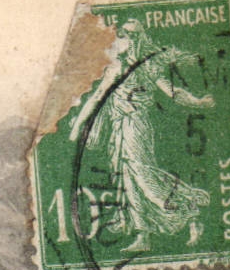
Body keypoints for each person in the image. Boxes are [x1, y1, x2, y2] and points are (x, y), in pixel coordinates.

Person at [68, 17, 216, 252]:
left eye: (124, 35)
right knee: (125, 177)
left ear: (134, 39)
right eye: (120, 34)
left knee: (142, 175)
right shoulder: (114, 67)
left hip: (137, 126)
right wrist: (77, 127)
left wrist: (198, 102)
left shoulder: (147, 66)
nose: (118, 39)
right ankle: (140, 232)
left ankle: (188, 209)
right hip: (119, 127)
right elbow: (97, 97)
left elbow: (172, 92)